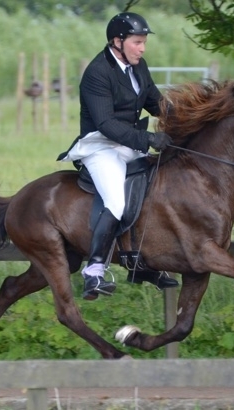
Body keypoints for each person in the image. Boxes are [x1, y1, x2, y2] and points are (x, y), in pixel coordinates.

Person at [57, 12, 178, 300]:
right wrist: (149, 139)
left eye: (144, 42)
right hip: (101, 147)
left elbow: (156, 103)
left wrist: (188, 120)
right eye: (137, 42)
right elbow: (106, 124)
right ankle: (94, 271)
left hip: (129, 145)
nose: (142, 48)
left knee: (155, 192)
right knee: (115, 200)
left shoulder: (138, 67)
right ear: (117, 41)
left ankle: (140, 265)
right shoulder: (97, 72)